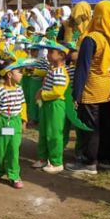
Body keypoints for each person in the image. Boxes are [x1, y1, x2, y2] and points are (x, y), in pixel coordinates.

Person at [68, 0, 110, 175]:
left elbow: (82, 68)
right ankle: (104, 158)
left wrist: (76, 94)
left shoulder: (91, 39)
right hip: (109, 88)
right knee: (105, 125)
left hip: (92, 88)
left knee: (90, 127)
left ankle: (89, 162)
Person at [0, 57, 28, 189]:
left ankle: (14, 175)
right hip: (2, 122)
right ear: (10, 74)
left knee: (13, 149)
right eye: (19, 72)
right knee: (0, 148)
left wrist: (23, 121)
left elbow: (23, 105)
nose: (22, 74)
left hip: (15, 121)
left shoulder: (19, 89)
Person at [34, 41, 70, 174]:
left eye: (51, 52)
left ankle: (56, 162)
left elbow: (57, 91)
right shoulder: (52, 69)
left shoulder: (60, 71)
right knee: (43, 131)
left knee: (54, 133)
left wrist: (42, 94)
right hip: (47, 103)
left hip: (55, 105)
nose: (48, 54)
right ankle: (43, 158)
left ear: (61, 55)